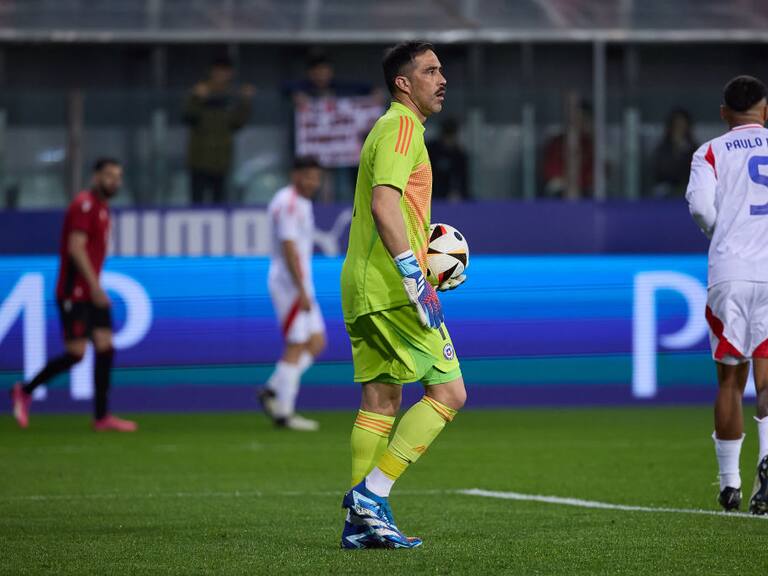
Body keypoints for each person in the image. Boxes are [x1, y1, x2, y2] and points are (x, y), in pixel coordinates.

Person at [339, 41, 467, 549]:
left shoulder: (390, 127)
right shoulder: (402, 125)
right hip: (393, 288)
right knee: (450, 392)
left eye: (442, 70)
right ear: (403, 82)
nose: (442, 79)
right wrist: (415, 273)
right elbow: (383, 205)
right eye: (430, 70)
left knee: (380, 399)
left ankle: (359, 525)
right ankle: (373, 494)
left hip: (363, 282)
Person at [686, 74, 768, 515]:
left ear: (724, 114)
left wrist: (723, 234)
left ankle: (731, 484)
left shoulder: (711, 151)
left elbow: (700, 206)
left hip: (731, 272)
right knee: (767, 372)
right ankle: (767, 465)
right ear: (766, 110)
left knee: (730, 380)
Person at [10, 158, 137, 432]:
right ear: (95, 177)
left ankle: (102, 417)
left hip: (91, 291)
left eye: (118, 176)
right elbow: (75, 247)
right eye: (108, 175)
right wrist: (94, 286)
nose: (114, 181)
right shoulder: (84, 205)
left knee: (105, 346)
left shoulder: (103, 209)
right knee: (77, 353)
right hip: (75, 292)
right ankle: (25, 389)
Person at [257, 157, 326, 431]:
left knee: (317, 342)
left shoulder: (302, 203)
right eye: (308, 176)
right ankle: (284, 413)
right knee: (296, 344)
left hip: (300, 281)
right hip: (289, 282)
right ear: (294, 174)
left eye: (316, 177)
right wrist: (300, 289)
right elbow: (288, 248)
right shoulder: (287, 203)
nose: (313, 182)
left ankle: (272, 389)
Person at [182, 56, 254, 204]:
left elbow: (238, 123)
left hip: (221, 160)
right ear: (211, 72)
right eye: (218, 71)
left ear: (230, 73)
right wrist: (196, 97)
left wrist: (246, 101)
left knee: (219, 202)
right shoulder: (200, 91)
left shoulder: (232, 95)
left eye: (225, 71)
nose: (221, 75)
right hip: (199, 159)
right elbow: (187, 117)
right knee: (196, 202)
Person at [541, 100, 594, 199]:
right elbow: (550, 171)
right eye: (575, 118)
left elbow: (595, 175)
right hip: (559, 195)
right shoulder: (557, 142)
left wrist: (580, 181)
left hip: (585, 194)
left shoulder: (590, 145)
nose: (579, 122)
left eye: (583, 118)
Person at [652, 109, 698, 198]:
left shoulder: (694, 149)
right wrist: (675, 150)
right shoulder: (662, 149)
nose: (679, 129)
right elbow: (660, 171)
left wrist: (684, 151)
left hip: (687, 191)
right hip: (665, 191)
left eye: (682, 125)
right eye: (677, 126)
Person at [427, 117, 470, 201]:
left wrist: (458, 192)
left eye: (451, 136)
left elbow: (463, 181)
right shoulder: (431, 150)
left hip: (451, 198)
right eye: (447, 136)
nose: (449, 141)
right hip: (430, 194)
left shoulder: (459, 155)